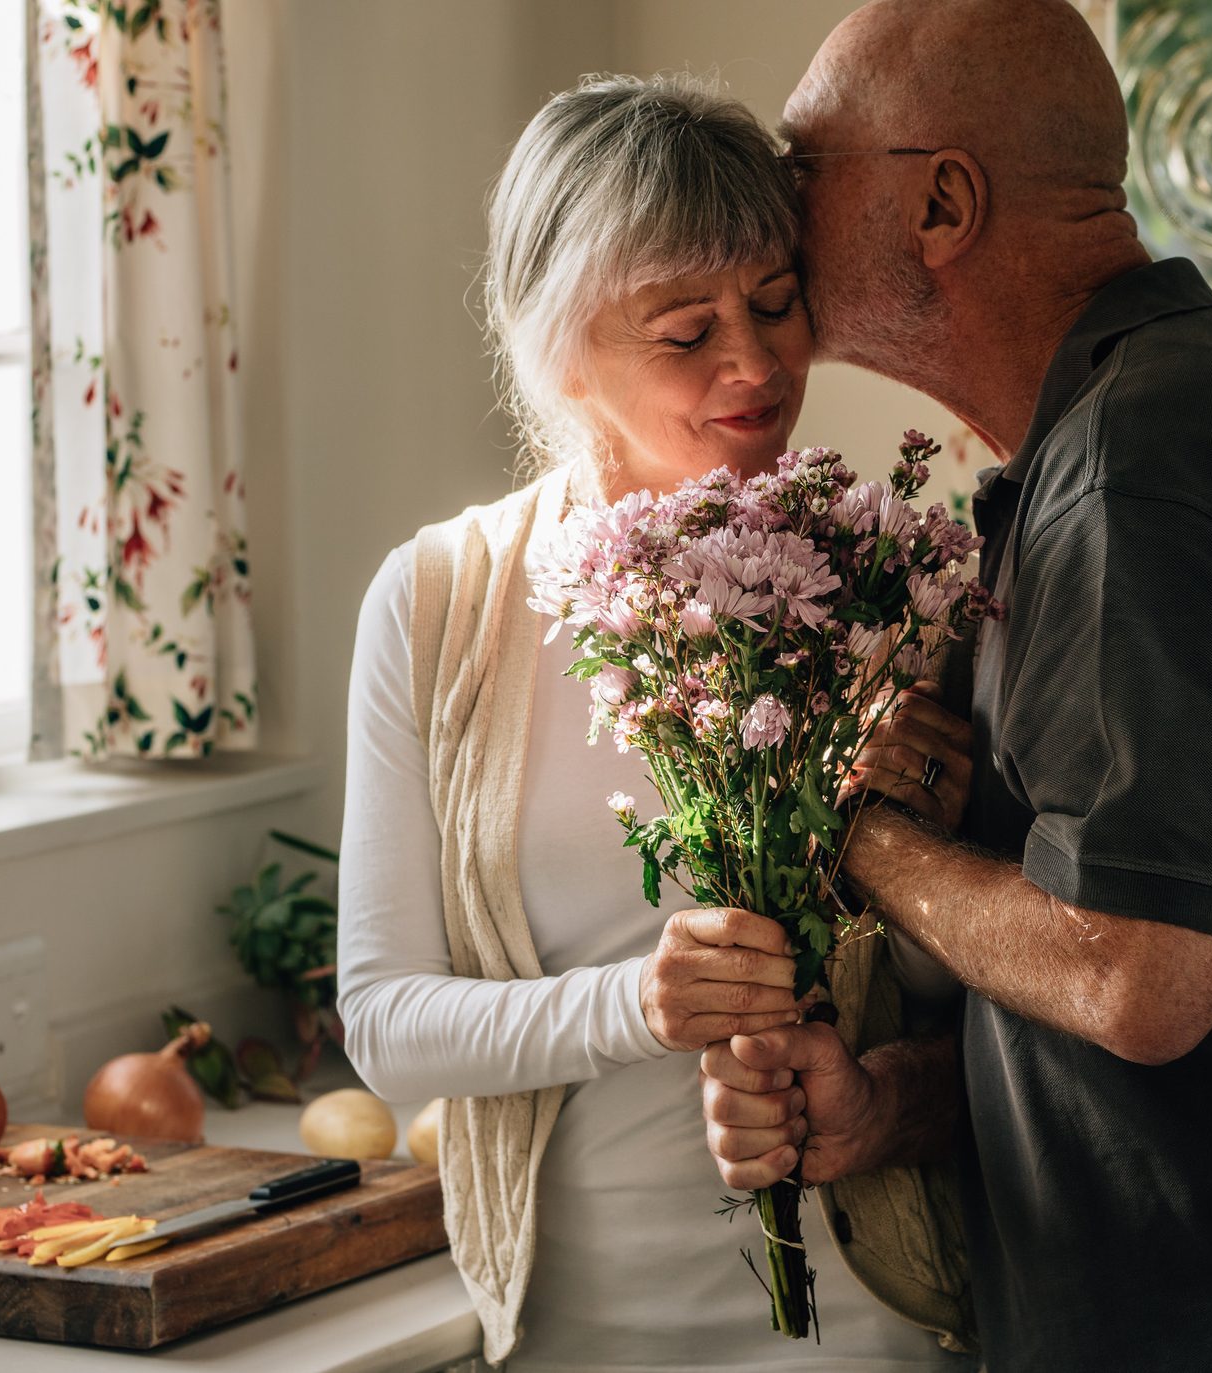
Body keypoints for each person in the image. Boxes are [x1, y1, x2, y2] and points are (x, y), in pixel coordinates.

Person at [699, 2, 1212, 1369]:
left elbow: (1141, 977)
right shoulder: (1126, 437)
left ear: (942, 201)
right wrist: (886, 1110)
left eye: (806, 168)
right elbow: (1153, 1014)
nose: (775, 210)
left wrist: (856, 836)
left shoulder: (1140, 468)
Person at [336, 74, 974, 1370]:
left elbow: (995, 1028)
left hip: (874, 1324)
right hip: (579, 1330)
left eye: (778, 302)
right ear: (559, 352)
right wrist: (642, 1001)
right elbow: (389, 1025)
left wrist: (917, 840)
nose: (756, 363)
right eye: (686, 330)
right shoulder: (443, 604)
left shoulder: (893, 591)